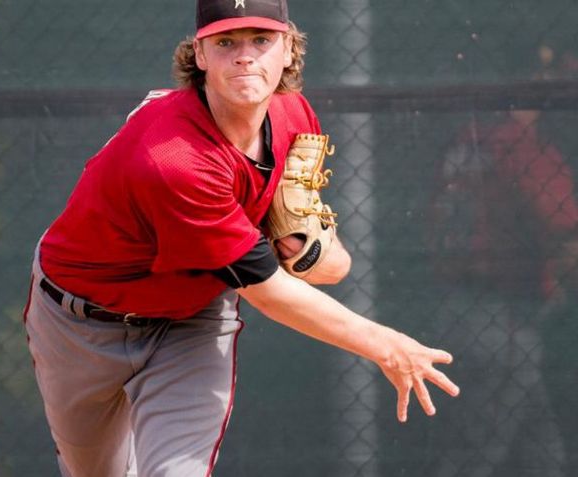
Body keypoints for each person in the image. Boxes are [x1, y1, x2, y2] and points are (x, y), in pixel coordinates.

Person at [23, 1, 459, 475]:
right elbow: (269, 293)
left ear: (288, 49)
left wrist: (310, 249)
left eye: (261, 39)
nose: (245, 56)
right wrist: (386, 344)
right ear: (200, 55)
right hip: (80, 321)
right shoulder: (175, 158)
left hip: (189, 323)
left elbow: (321, 263)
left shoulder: (294, 118)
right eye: (226, 42)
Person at [425, 71, 577, 474]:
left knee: (542, 449)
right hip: (504, 316)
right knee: (474, 455)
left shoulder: (471, 139)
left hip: (458, 306)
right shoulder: (522, 146)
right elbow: (564, 228)